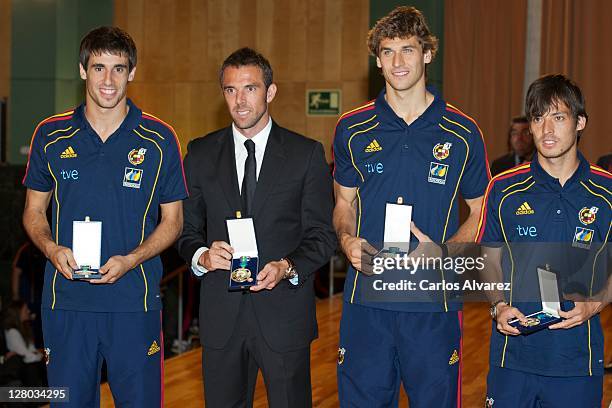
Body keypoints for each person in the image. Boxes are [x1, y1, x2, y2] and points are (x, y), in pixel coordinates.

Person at [332, 6, 490, 407]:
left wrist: (442, 254)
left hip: (432, 299)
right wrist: (347, 238)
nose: (398, 61)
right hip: (367, 299)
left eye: (408, 49)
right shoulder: (352, 128)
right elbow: (343, 202)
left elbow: (481, 210)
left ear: (427, 54)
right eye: (387, 52)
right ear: (378, 61)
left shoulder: (463, 132)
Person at [22, 26, 187, 407]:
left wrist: (132, 259)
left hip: (135, 302)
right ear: (83, 71)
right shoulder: (50, 134)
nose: (108, 80)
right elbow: (33, 211)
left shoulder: (160, 139)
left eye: (118, 68)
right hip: (66, 303)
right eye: (99, 68)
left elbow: (173, 221)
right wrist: (49, 248)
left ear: (132, 72)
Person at [177, 47, 336, 407]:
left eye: (250, 88)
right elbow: (185, 228)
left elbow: (323, 235)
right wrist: (202, 254)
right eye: (230, 90)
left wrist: (287, 266)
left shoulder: (305, 154)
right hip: (221, 317)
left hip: (283, 315)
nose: (240, 100)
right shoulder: (200, 153)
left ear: (271, 91)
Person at [476, 74, 611, 407]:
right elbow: (487, 259)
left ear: (580, 122)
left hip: (577, 360)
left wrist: (598, 302)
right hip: (513, 359)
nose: (547, 129)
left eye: (559, 117)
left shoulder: (607, 191)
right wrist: (498, 306)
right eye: (538, 118)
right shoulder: (503, 188)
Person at [1, 301, 46, 387]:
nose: (29, 311)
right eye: (25, 310)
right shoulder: (12, 331)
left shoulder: (24, 328)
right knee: (33, 367)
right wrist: (40, 355)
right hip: (16, 371)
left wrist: (38, 354)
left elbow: (32, 350)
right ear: (18, 313)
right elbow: (27, 356)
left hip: (25, 369)